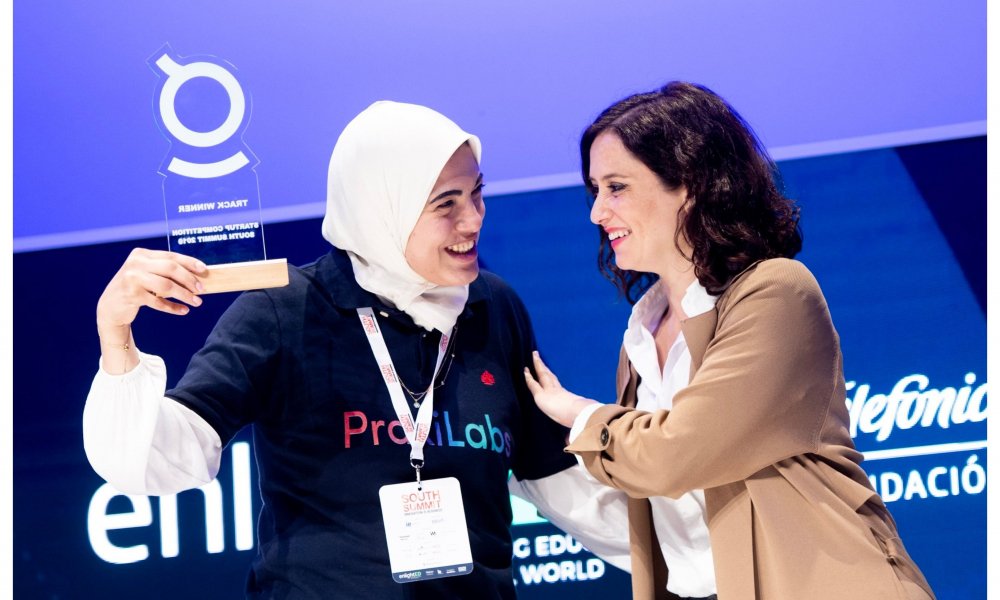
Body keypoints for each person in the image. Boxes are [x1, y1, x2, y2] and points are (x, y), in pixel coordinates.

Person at [83, 100, 574, 599]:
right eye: (446, 203)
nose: (472, 220)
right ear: (380, 209)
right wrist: (116, 333)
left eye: (477, 193)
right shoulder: (286, 311)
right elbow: (159, 458)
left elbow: (558, 482)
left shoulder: (493, 307)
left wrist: (614, 448)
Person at [513, 82, 936, 600]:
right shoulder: (640, 336)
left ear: (689, 183)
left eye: (617, 187)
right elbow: (668, 518)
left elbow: (674, 454)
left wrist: (580, 415)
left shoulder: (775, 292)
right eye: (595, 190)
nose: (597, 213)